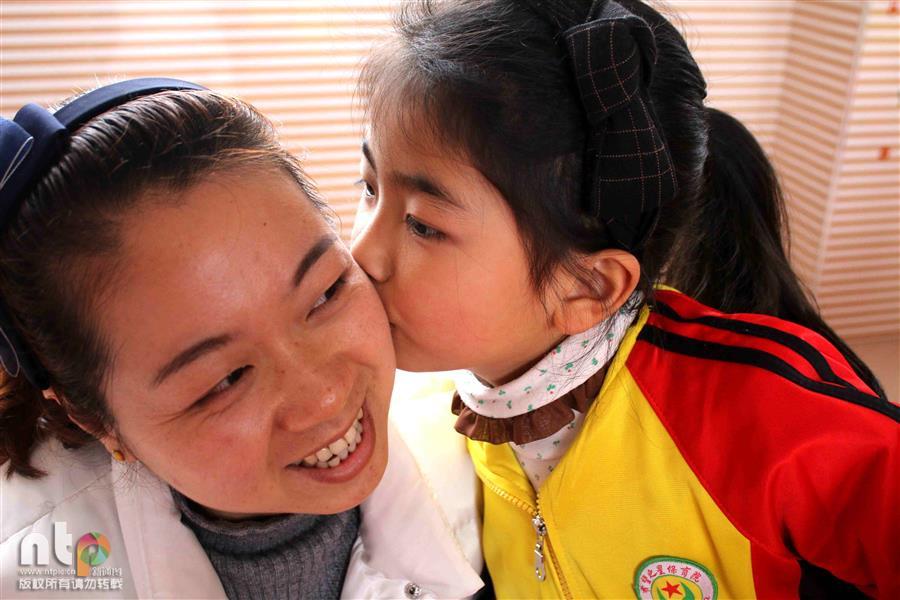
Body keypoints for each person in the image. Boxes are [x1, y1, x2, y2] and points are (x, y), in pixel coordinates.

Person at [350, 0, 900, 597]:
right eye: (369, 186)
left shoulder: (757, 415)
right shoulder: (448, 406)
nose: (361, 253)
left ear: (588, 287)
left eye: (423, 224)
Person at [0, 79, 483, 599]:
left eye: (324, 295)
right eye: (226, 380)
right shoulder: (37, 575)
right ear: (96, 420)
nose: (323, 397)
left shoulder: (490, 466)